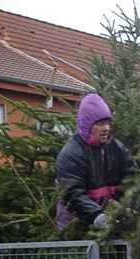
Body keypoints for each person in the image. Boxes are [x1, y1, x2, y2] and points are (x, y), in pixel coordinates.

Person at [55, 93, 135, 230]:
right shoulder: (71, 154)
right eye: (100, 124)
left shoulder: (116, 148)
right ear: (87, 125)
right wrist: (97, 215)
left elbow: (132, 176)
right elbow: (73, 193)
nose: (106, 128)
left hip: (109, 215)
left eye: (108, 123)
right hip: (76, 222)